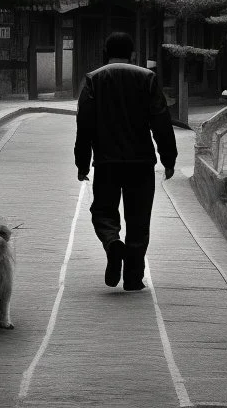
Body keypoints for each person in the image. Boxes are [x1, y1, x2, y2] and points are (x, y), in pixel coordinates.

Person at [74, 31, 177, 291]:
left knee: (103, 212)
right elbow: (161, 121)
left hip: (107, 163)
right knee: (138, 220)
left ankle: (111, 243)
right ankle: (133, 278)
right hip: (141, 163)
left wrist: (82, 163)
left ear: (105, 52)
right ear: (132, 53)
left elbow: (84, 125)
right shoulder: (147, 78)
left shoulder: (93, 80)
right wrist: (169, 158)